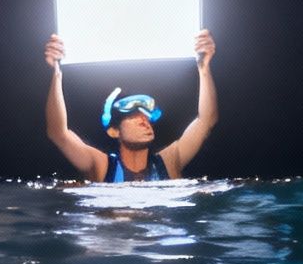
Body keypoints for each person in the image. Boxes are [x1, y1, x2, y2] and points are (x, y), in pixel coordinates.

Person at [43, 31, 218, 181]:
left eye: (146, 118)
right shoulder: (102, 166)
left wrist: (204, 69)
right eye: (133, 117)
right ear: (114, 131)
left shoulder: (169, 161)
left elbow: (206, 121)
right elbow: (58, 133)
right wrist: (56, 73)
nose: (145, 122)